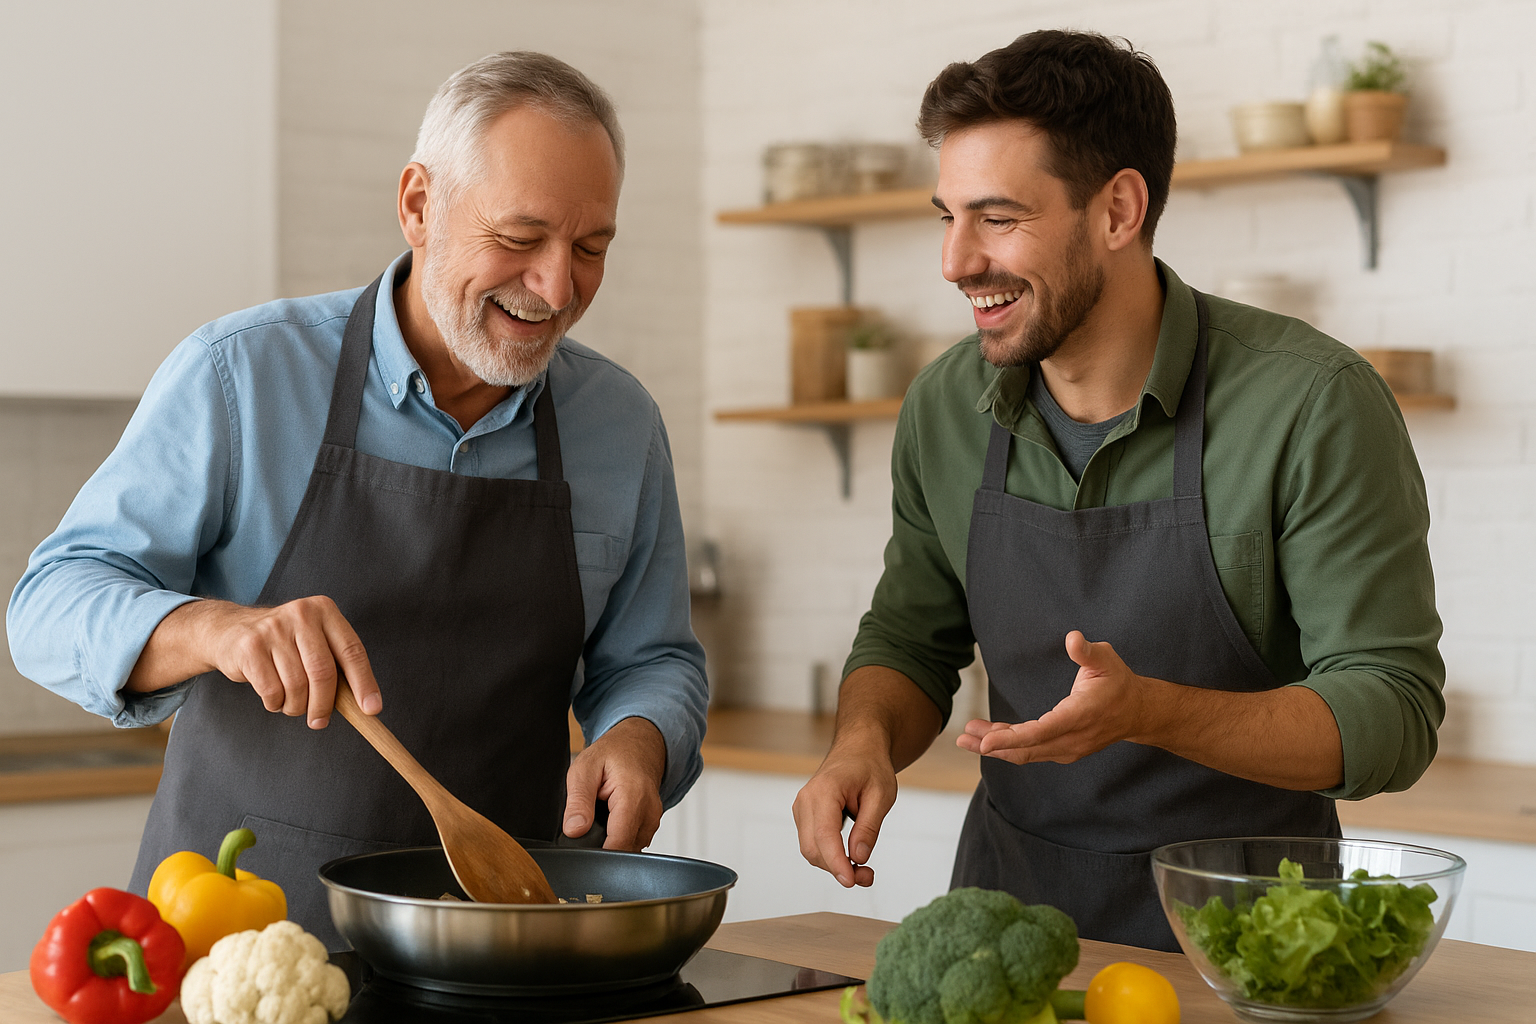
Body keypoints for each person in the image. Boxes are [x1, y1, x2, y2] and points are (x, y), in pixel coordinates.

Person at [8, 51, 708, 945]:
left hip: (500, 949)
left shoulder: (620, 424)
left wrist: (640, 737)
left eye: (591, 248)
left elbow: (654, 658)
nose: (558, 288)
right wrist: (216, 629)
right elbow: (49, 604)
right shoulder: (242, 377)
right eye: (521, 238)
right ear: (419, 204)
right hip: (240, 946)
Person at [791, 30, 1444, 951]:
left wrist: (1150, 712)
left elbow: (1392, 711)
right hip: (1005, 924)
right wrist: (860, 743)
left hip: (1253, 940)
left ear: (1119, 210)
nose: (955, 261)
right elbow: (910, 635)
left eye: (999, 218)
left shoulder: (1311, 403)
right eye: (947, 215)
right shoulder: (946, 404)